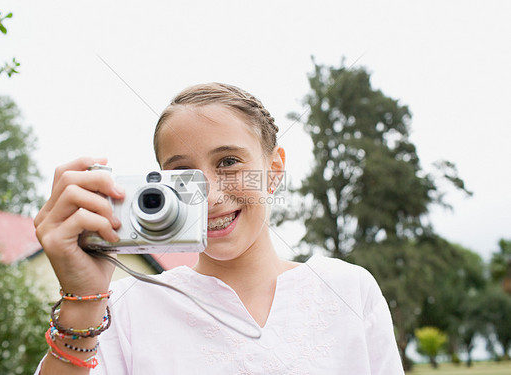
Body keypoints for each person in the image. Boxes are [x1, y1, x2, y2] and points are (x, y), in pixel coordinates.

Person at [34, 83, 404, 374]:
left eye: (228, 161)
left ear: (273, 171)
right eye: (183, 174)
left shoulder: (349, 291)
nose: (209, 196)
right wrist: (82, 300)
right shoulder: (122, 308)